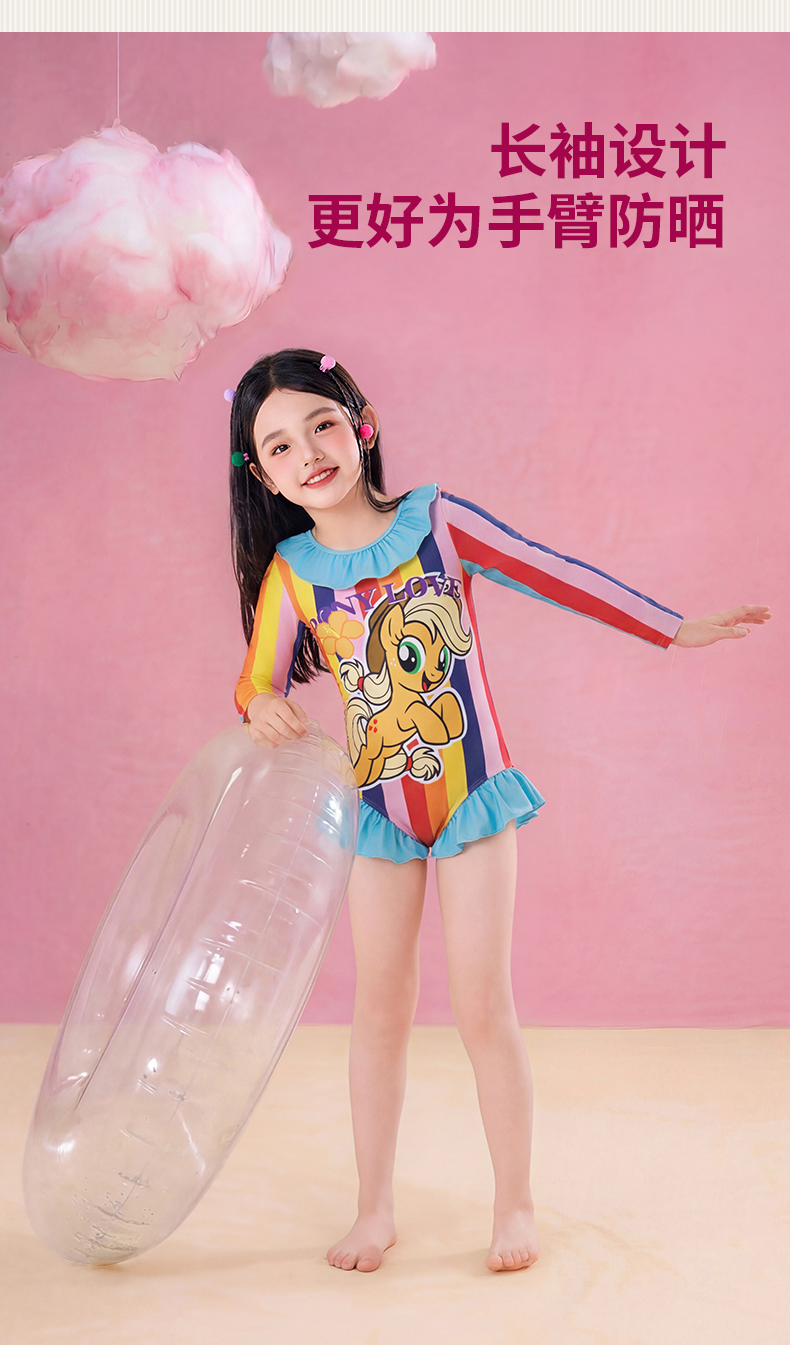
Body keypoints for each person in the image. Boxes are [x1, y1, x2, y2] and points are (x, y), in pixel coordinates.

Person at [229, 347, 770, 1275]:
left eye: (321, 424)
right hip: (378, 814)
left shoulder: (438, 521)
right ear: (262, 475)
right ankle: (374, 1209)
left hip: (473, 799)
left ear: (360, 423)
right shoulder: (292, 573)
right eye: (279, 446)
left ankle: (513, 1204)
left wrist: (673, 627)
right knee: (380, 1012)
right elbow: (255, 680)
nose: (308, 452)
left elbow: (553, 573)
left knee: (484, 1006)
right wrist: (258, 706)